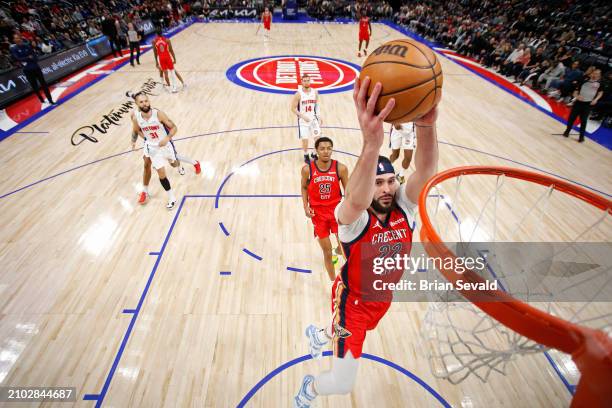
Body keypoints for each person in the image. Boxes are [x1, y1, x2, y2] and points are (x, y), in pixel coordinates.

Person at [294, 76, 439, 407]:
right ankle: (310, 388)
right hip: (352, 302)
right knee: (343, 383)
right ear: (366, 185)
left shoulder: (404, 207)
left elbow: (426, 169)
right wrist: (371, 144)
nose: (386, 189)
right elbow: (355, 201)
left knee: (347, 332)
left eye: (391, 182)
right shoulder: (354, 220)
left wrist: (426, 125)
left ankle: (321, 335)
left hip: (381, 298)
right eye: (378, 183)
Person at [130, 92, 201, 208]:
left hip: (165, 145)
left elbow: (174, 127)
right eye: (141, 102)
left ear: (149, 101)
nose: (145, 104)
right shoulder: (136, 118)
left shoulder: (158, 114)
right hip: (152, 148)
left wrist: (167, 138)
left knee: (174, 163)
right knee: (160, 173)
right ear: (137, 104)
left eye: (146, 101)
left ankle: (193, 163)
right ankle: (171, 198)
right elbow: (135, 130)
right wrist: (134, 141)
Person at [301, 137, 349, 281]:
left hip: (336, 213)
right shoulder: (307, 169)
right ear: (316, 150)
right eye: (322, 148)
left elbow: (348, 193)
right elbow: (304, 187)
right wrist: (305, 206)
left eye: (329, 148)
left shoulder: (341, 168)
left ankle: (348, 278)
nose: (326, 151)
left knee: (346, 249)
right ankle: (333, 282)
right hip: (318, 215)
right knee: (327, 252)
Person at [9, 32, 55, 105]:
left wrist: (28, 58)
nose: (17, 39)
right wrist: (28, 57)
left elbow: (34, 56)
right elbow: (18, 58)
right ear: (14, 40)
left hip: (36, 67)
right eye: (15, 38)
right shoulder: (14, 49)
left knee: (44, 84)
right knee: (35, 86)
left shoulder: (27, 45)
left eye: (18, 38)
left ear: (20, 38)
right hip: (27, 70)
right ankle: (41, 99)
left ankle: (50, 99)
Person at [562, 69, 603, 143]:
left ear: (599, 76)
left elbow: (600, 93)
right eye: (594, 73)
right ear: (591, 73)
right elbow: (575, 92)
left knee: (583, 121)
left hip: (588, 104)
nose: (595, 75)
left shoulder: (600, 84)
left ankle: (581, 137)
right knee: (572, 118)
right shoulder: (583, 81)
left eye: (597, 74)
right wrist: (577, 96)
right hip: (578, 103)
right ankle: (567, 131)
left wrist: (596, 99)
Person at [291, 74, 322, 164]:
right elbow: (293, 109)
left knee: (318, 139)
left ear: (310, 81)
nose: (306, 82)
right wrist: (303, 116)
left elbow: (317, 105)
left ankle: (313, 153)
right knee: (305, 141)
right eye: (304, 80)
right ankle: (306, 155)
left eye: (308, 80)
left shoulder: (315, 92)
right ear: (302, 82)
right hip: (303, 121)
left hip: (313, 120)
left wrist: (319, 116)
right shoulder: (298, 94)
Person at [153, 28, 186, 93]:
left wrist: (156, 62)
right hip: (167, 57)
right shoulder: (167, 40)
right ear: (162, 33)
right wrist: (174, 58)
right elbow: (171, 50)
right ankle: (175, 87)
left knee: (164, 73)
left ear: (156, 34)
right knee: (173, 72)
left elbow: (155, 52)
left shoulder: (154, 41)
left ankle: (167, 86)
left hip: (160, 58)